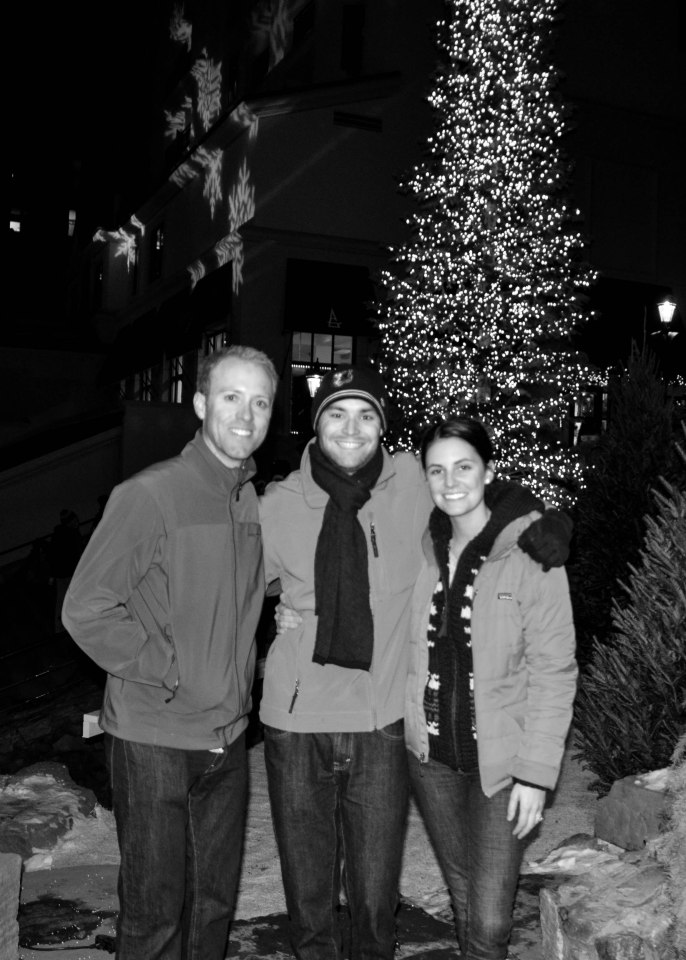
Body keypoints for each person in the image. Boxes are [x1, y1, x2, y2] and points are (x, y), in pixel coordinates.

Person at [258, 365, 571, 960]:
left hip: (382, 721)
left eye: (366, 415)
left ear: (383, 426)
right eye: (336, 414)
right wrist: (281, 610)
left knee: (376, 900)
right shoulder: (277, 505)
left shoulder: (411, 483)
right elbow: (242, 582)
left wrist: (547, 519)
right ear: (315, 423)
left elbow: (478, 487)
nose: (351, 428)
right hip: (297, 722)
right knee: (309, 897)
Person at [62, 345, 278, 960]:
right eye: (231, 397)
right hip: (155, 738)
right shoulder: (150, 494)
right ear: (201, 403)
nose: (246, 415)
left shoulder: (247, 499)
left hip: (227, 737)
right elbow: (85, 607)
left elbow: (236, 586)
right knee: (154, 916)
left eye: (260, 402)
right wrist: (169, 669)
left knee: (212, 909)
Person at [405, 417, 577, 960]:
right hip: (431, 759)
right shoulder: (424, 547)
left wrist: (536, 773)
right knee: (463, 895)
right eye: (437, 470)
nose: (450, 481)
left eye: (464, 466)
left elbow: (555, 669)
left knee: (490, 917)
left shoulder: (530, 553)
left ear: (488, 471)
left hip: (502, 765)